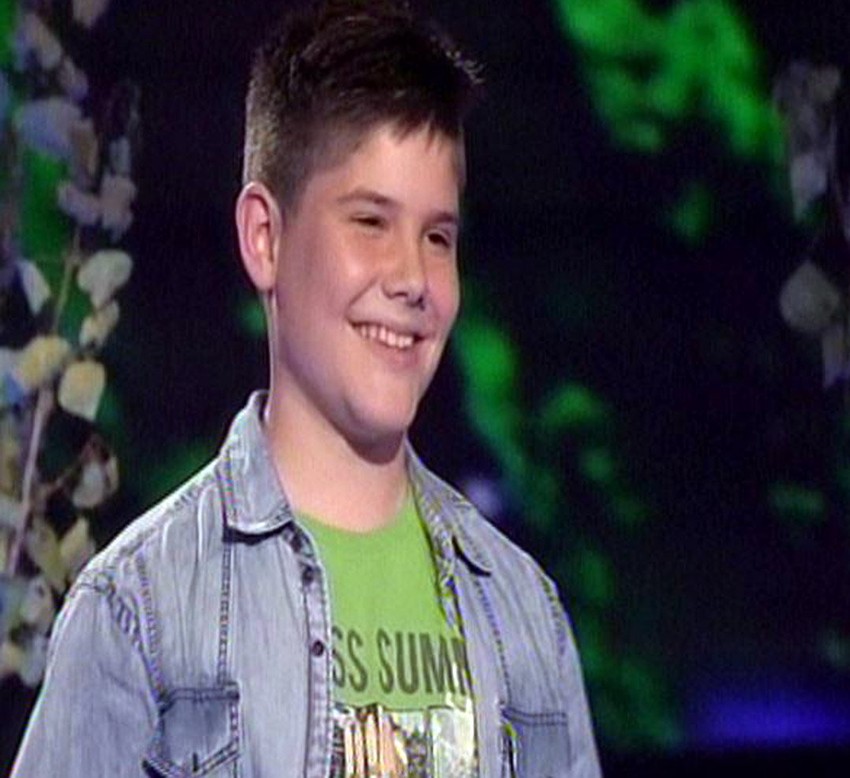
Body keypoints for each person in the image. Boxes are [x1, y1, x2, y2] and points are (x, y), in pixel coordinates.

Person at [12, 1, 601, 775]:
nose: (413, 278)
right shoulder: (139, 613)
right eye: (370, 222)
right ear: (265, 237)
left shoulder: (524, 612)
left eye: (437, 236)